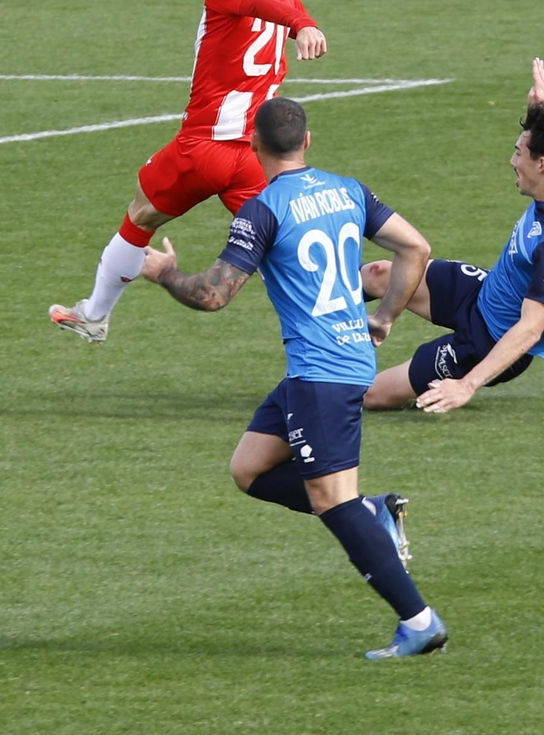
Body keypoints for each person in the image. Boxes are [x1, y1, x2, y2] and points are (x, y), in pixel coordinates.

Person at [140, 97, 449, 660]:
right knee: (249, 468)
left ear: (254, 148)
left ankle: (419, 620)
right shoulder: (349, 190)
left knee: (331, 499)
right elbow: (417, 247)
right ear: (308, 141)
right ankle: (373, 511)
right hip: (337, 362)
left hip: (321, 376)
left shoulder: (262, 210)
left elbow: (212, 295)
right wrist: (384, 317)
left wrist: (164, 274)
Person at [49, 0, 327, 343]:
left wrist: (298, 23)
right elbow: (269, 3)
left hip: (204, 147)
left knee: (141, 215)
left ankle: (95, 315)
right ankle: (338, 324)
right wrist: (302, 22)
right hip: (258, 155)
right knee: (285, 249)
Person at [362, 58, 544, 414]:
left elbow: (531, 329)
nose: (512, 160)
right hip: (484, 294)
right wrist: (543, 110)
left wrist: (466, 384)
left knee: (370, 395)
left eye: (519, 153)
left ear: (542, 164)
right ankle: (313, 324)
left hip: (488, 341)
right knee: (382, 274)